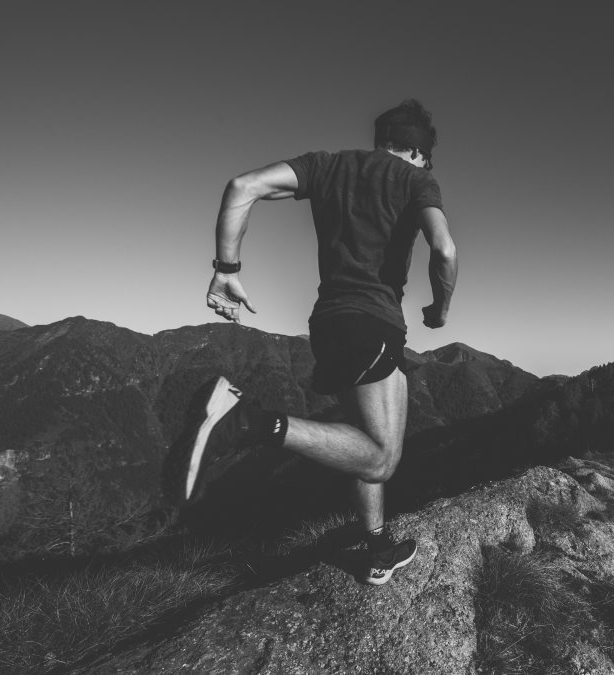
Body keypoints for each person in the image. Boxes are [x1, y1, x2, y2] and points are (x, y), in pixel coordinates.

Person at [184, 99, 457, 586]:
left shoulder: (328, 166)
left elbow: (242, 187)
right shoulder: (416, 181)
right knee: (382, 458)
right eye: (427, 158)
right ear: (417, 151)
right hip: (373, 322)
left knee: (360, 435)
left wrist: (226, 269)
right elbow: (445, 249)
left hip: (328, 323)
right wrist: (439, 310)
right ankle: (248, 421)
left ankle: (376, 547)